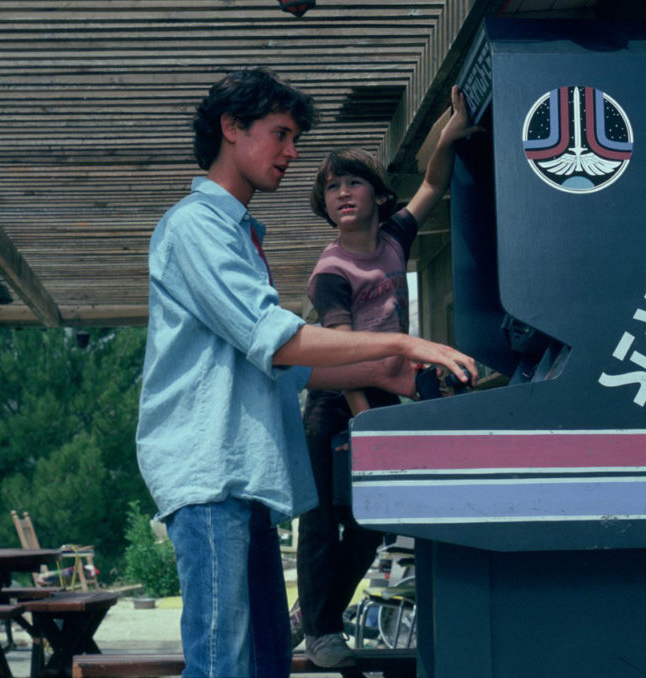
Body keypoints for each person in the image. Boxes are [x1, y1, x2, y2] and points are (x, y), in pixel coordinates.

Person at [135, 67, 478, 678]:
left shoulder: (240, 236)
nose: (294, 154)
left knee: (266, 665)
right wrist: (406, 342)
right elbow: (280, 341)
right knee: (223, 668)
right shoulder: (196, 227)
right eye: (282, 134)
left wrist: (406, 372)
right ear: (231, 128)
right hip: (212, 481)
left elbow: (289, 370)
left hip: (245, 483)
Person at [295, 85, 479, 668]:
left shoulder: (395, 238)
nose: (342, 192)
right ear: (324, 205)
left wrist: (449, 133)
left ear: (376, 195)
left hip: (385, 391)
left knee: (375, 518)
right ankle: (323, 632)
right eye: (331, 186)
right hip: (336, 397)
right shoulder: (331, 271)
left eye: (352, 182)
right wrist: (362, 415)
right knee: (323, 518)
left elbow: (433, 183)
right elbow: (343, 353)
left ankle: (315, 610)